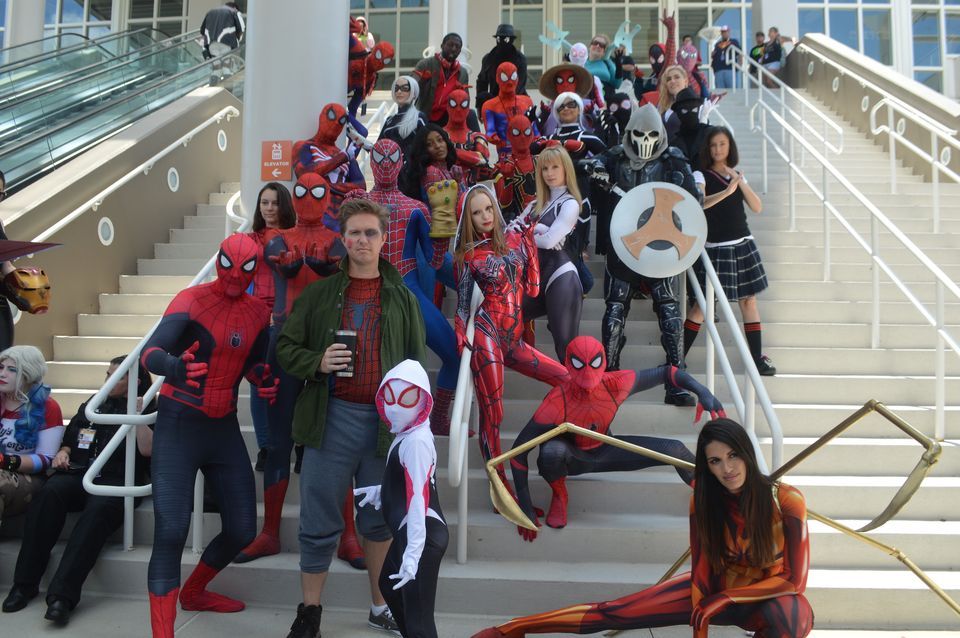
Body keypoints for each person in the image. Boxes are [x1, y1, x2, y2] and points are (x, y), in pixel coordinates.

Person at [473, 418, 814, 638]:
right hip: (713, 591)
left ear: (747, 454)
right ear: (706, 466)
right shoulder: (704, 502)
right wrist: (704, 620)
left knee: (794, 617)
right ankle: (512, 629)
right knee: (612, 613)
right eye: (714, 461)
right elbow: (703, 575)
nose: (727, 468)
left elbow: (793, 581)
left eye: (733, 456)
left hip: (767, 597)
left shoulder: (786, 501)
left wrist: (725, 598)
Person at [277, 197, 426, 638]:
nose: (363, 240)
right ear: (343, 239)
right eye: (355, 233)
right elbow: (285, 347)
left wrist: (415, 428)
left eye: (371, 233)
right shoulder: (320, 294)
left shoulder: (402, 297)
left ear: (384, 240)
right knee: (318, 519)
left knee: (378, 523)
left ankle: (380, 606)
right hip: (330, 419)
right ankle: (309, 614)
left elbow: (416, 366)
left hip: (383, 428)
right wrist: (317, 362)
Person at [142, 234, 277, 638]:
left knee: (241, 529)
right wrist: (174, 366)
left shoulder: (258, 312)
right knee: (170, 530)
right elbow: (151, 352)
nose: (236, 275)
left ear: (256, 268)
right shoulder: (191, 299)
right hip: (179, 421)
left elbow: (251, 362)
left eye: (246, 267)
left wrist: (262, 378)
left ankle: (195, 590)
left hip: (221, 425)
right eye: (228, 264)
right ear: (217, 260)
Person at [509, 335, 722, 539]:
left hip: (606, 449)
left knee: (674, 449)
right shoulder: (556, 400)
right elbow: (518, 452)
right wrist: (525, 507)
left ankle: (716, 496)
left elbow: (667, 372)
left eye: (593, 364)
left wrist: (702, 391)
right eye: (579, 365)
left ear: (602, 362)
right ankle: (559, 494)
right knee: (552, 451)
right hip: (572, 458)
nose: (587, 376)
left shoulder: (616, 383)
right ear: (568, 363)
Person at [3, 357, 154, 625]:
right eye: (106, 374)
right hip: (80, 472)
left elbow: (148, 451)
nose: (107, 381)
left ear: (136, 383)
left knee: (96, 514)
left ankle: (62, 596)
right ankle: (24, 584)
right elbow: (72, 437)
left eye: (115, 376)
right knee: (49, 494)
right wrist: (63, 452)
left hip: (116, 480)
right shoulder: (96, 401)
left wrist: (139, 416)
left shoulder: (151, 405)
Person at [582, 103, 701, 406]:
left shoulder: (672, 158)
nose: (645, 140)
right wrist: (596, 170)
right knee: (615, 309)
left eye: (650, 134)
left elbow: (691, 197)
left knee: (670, 312)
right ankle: (608, 377)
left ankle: (676, 381)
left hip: (661, 245)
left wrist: (681, 184)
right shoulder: (615, 156)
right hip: (624, 243)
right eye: (639, 134)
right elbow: (592, 162)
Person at [453, 184, 567, 496]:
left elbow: (532, 290)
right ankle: (500, 489)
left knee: (566, 380)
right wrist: (460, 331)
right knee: (494, 414)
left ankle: (547, 445)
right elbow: (463, 305)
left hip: (514, 338)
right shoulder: (467, 255)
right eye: (477, 213)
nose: (485, 216)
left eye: (488, 208)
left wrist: (530, 243)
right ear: (468, 219)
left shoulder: (515, 241)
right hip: (488, 334)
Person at [361, 138, 458, 434]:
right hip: (366, 292)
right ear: (371, 162)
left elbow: (433, 259)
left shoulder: (414, 209)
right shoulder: (359, 204)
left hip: (408, 290)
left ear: (402, 161)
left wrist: (442, 236)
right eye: (380, 158)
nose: (386, 165)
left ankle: (439, 417)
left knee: (453, 352)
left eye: (392, 158)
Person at [355, 360, 448, 638]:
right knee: (388, 585)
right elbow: (405, 482)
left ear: (423, 402)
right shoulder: (407, 435)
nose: (396, 406)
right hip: (411, 534)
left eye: (407, 399)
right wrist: (382, 493)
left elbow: (419, 498)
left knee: (420, 620)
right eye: (391, 397)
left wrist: (413, 554)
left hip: (422, 537)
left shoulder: (417, 442)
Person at [684, 127, 776, 376]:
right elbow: (698, 204)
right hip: (716, 247)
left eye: (722, 144)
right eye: (713, 145)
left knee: (749, 301)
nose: (717, 150)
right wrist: (727, 192)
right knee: (701, 307)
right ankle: (676, 358)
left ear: (730, 146)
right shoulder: (700, 175)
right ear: (707, 148)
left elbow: (757, 206)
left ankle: (756, 359)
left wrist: (738, 182)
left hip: (743, 242)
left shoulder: (736, 174)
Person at [518, 147, 584, 361]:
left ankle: (578, 394)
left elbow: (549, 241)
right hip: (534, 279)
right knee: (505, 317)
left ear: (566, 169)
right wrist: (540, 230)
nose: (549, 172)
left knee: (565, 349)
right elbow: (510, 235)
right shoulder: (534, 204)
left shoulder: (571, 203)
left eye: (555, 166)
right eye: (545, 168)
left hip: (561, 276)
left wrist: (532, 232)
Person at [247, 182, 296, 471]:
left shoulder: (295, 237)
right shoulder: (250, 238)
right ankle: (266, 446)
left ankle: (298, 444)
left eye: (275, 203)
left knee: (294, 384)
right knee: (258, 383)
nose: (269, 208)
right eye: (264, 203)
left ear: (284, 205)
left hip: (288, 318)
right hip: (256, 318)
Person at [0, 345, 62, 520]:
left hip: (28, 476)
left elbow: (46, 459)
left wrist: (5, 461)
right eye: (1, 367)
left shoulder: (48, 407)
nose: (3, 374)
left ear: (28, 374)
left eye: (12, 370)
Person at [413, 33, 469, 126]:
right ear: (442, 46)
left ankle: (477, 139)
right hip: (425, 116)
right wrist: (422, 81)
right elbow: (411, 87)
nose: (454, 48)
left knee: (471, 114)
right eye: (450, 45)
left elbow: (466, 100)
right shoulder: (426, 64)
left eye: (457, 47)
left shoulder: (462, 73)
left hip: (448, 118)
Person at [476, 24, 528, 111]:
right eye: (499, 39)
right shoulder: (488, 58)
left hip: (516, 102)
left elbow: (520, 84)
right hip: (494, 102)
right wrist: (480, 106)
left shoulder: (520, 59)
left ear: (511, 40)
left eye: (506, 39)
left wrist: (509, 101)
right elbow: (482, 82)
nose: (502, 42)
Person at [378, 75, 427, 160]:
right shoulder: (389, 120)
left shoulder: (419, 118)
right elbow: (378, 148)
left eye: (405, 88)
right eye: (396, 88)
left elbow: (425, 148)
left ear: (414, 93)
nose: (399, 92)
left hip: (412, 170)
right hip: (390, 169)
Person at [584, 33, 618, 100]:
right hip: (586, 102)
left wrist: (619, 64)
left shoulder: (608, 64)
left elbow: (617, 84)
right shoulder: (581, 62)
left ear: (604, 51)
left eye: (602, 45)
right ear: (590, 46)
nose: (598, 46)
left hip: (606, 102)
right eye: (595, 43)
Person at [711, 25, 740, 90]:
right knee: (720, 91)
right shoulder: (717, 44)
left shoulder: (733, 42)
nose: (724, 34)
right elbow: (714, 55)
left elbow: (739, 53)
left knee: (732, 90)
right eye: (723, 32)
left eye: (726, 32)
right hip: (718, 70)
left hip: (730, 69)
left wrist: (739, 65)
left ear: (729, 32)